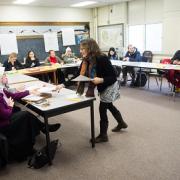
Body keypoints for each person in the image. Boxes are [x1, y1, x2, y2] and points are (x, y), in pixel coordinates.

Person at [77, 39, 128, 143]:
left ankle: (103, 135)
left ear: (89, 48)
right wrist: (62, 84)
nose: (80, 51)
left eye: (82, 49)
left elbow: (113, 76)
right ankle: (121, 123)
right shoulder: (86, 60)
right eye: (80, 49)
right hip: (102, 85)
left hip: (109, 85)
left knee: (102, 108)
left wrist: (101, 79)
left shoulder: (102, 58)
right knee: (109, 105)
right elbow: (78, 75)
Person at [0, 74, 60, 161]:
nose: (4, 79)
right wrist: (9, 106)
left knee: (24, 114)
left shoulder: (1, 90)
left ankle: (41, 128)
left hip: (5, 116)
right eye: (2, 77)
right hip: (3, 123)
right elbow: (5, 115)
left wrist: (29, 92)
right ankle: (41, 129)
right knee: (25, 115)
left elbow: (12, 96)